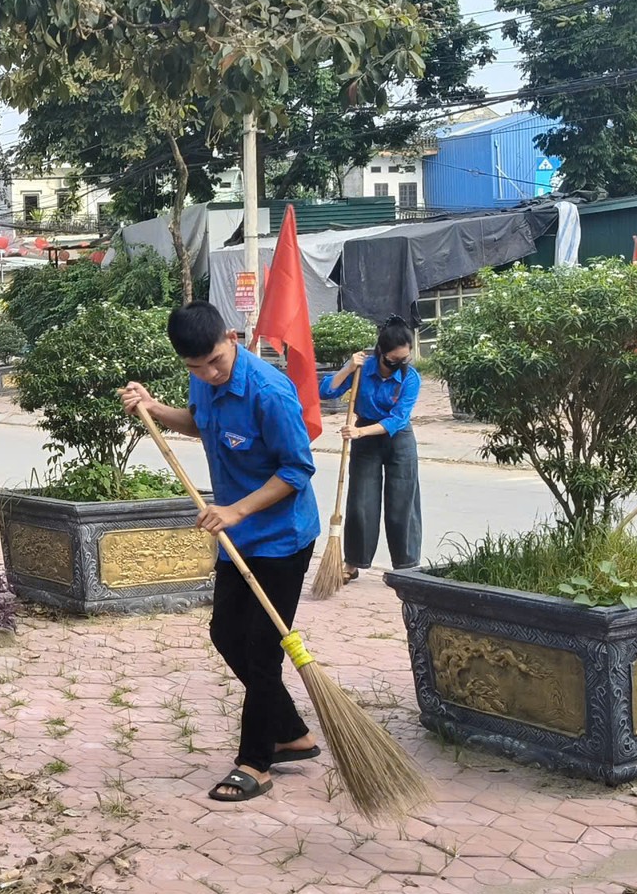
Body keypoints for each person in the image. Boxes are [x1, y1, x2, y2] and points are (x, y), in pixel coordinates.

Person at [121, 302, 323, 804]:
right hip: (237, 539)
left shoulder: (270, 393)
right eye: (196, 368)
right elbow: (201, 422)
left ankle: (255, 762)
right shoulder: (203, 380)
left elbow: (297, 470)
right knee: (225, 633)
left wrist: (235, 511)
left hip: (281, 538)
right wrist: (154, 408)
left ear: (230, 337)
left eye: (215, 361)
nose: (209, 373)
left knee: (261, 650)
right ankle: (291, 734)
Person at [319, 317, 423, 579]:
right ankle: (353, 563)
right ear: (380, 353)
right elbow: (326, 392)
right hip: (365, 439)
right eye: (392, 361)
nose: (397, 367)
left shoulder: (410, 378)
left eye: (403, 360)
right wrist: (347, 369)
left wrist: (359, 431)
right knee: (361, 502)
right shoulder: (362, 368)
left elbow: (398, 418)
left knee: (402, 502)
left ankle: (407, 566)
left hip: (398, 438)